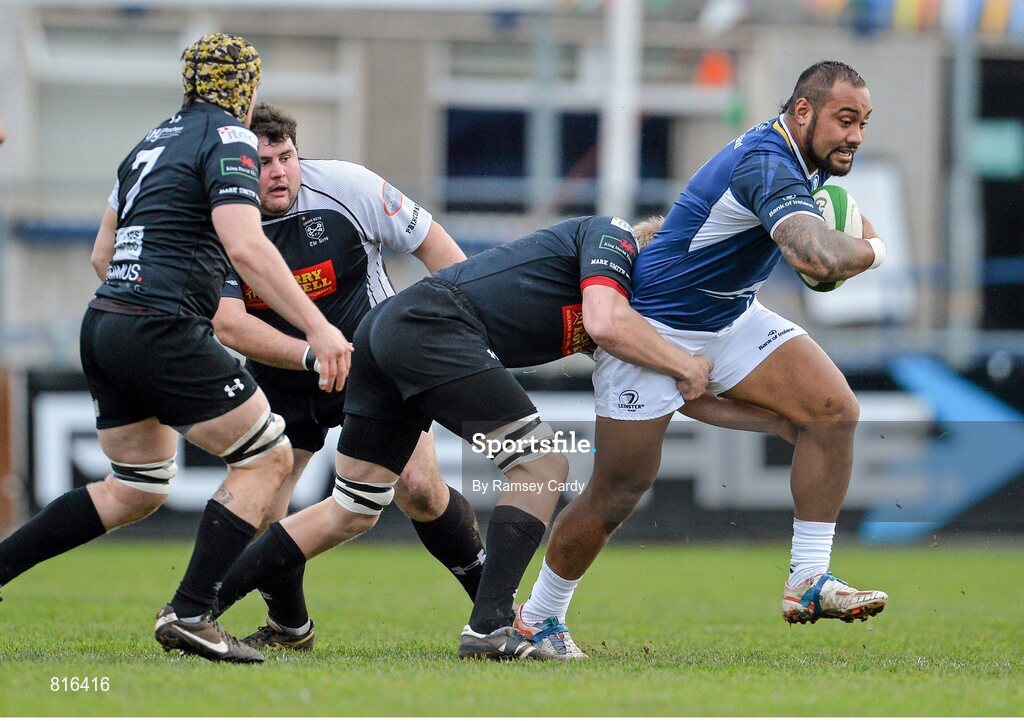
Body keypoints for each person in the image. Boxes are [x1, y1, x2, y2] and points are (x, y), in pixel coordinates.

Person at [208, 213, 743, 660]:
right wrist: (685, 361)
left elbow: (677, 390)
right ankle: (490, 628)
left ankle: (195, 607)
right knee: (542, 464)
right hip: (431, 324)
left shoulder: (617, 310)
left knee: (353, 506)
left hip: (388, 329)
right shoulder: (615, 239)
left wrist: (784, 421)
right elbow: (615, 330)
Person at [0, 33, 352, 664]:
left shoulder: (147, 144)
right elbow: (246, 247)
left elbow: (101, 254)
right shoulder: (230, 138)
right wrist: (317, 329)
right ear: (246, 89)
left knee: (136, 486)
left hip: (105, 321)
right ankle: (192, 611)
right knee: (268, 456)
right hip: (159, 325)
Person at [515, 61, 889, 652]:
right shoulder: (768, 161)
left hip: (730, 316)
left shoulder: (802, 162)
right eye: (845, 120)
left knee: (833, 409)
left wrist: (848, 240)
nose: (855, 136)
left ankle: (809, 578)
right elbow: (815, 260)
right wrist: (873, 248)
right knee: (617, 491)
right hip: (656, 326)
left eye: (863, 123)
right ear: (803, 112)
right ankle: (537, 617)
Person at [202, 103, 486, 650]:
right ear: (238, 167)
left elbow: (440, 251)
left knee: (420, 489)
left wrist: (463, 325)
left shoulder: (348, 187)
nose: (279, 171)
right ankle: (290, 628)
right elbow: (230, 326)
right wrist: (311, 355)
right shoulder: (219, 222)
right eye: (262, 162)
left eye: (286, 157)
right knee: (263, 504)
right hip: (283, 376)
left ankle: (497, 609)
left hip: (376, 365)